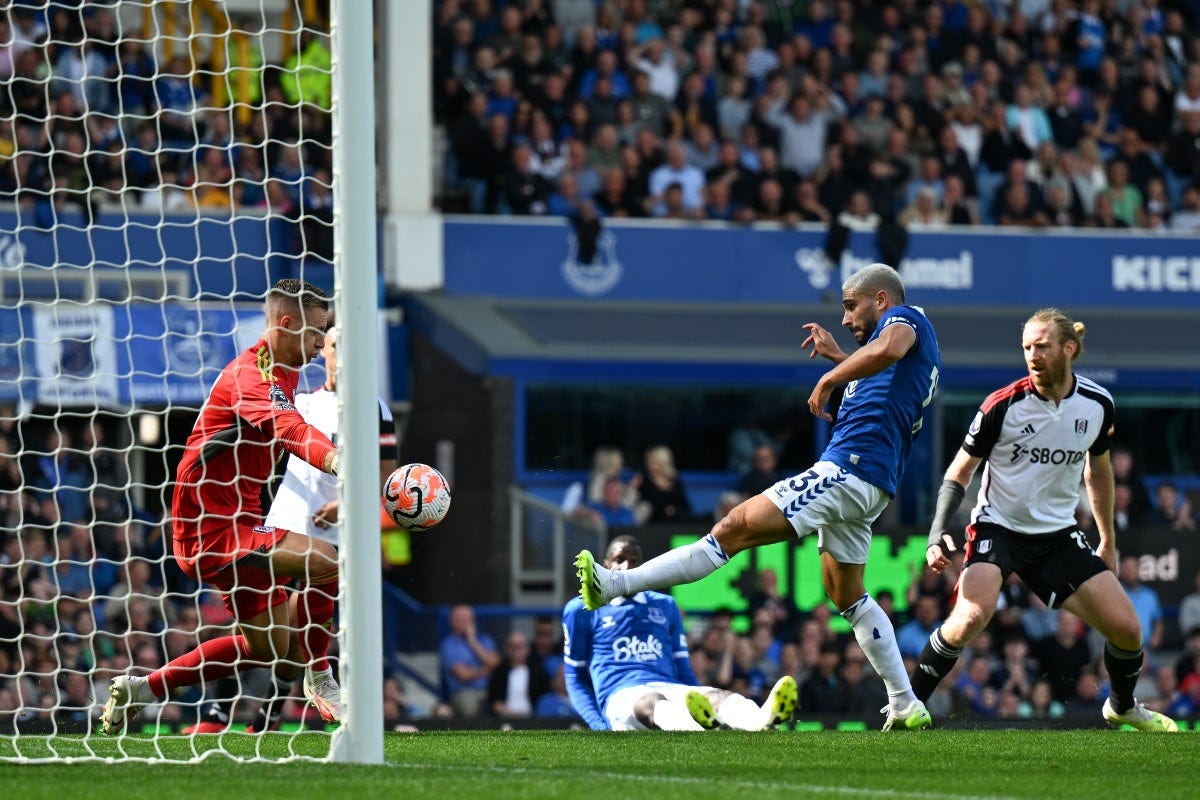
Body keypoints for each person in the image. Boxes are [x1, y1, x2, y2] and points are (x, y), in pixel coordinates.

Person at [577, 264, 940, 730]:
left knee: (732, 528)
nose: (847, 319)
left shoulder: (907, 320)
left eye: (852, 306)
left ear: (883, 299)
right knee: (846, 596)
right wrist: (837, 360)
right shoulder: (895, 357)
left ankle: (616, 585)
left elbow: (888, 349)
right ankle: (906, 701)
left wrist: (830, 379)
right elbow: (883, 374)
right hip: (870, 483)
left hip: (849, 468)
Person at [909, 308, 1177, 732]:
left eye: (1042, 346)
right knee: (969, 619)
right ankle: (907, 706)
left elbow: (1099, 471)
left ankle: (1122, 706)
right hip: (998, 527)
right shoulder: (1002, 405)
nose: (1032, 355)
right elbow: (959, 472)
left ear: (1068, 349)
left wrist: (1107, 541)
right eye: (1027, 347)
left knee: (1128, 630)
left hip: (1057, 536)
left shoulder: (1097, 404)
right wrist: (937, 529)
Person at [102, 279, 343, 735]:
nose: (319, 343)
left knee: (275, 650)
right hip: (208, 530)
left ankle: (143, 689)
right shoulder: (252, 375)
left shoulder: (288, 370)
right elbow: (288, 429)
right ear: (285, 324)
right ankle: (323, 679)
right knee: (329, 563)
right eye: (315, 332)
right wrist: (335, 460)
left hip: (244, 520)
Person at [186, 323, 399, 734]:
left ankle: (269, 715)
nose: (344, 354)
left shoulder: (375, 408)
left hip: (337, 537)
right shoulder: (300, 402)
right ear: (326, 352)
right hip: (285, 520)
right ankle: (216, 714)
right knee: (261, 622)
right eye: (337, 345)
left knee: (304, 628)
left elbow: (385, 477)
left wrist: (344, 505)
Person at [563, 535, 797, 731]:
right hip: (621, 694)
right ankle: (698, 727)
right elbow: (575, 678)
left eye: (635, 562)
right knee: (651, 703)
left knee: (717, 696)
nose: (627, 568)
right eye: (620, 560)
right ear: (606, 566)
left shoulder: (665, 606)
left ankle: (762, 719)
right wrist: (599, 725)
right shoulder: (582, 609)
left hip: (669, 685)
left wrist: (696, 692)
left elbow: (683, 667)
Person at [440, 604, 500, 717]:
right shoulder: (449, 645)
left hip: (491, 689)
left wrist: (472, 641)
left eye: (467, 619)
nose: (465, 623)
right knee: (469, 705)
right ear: (452, 622)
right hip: (464, 692)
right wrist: (487, 670)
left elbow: (495, 664)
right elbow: (464, 675)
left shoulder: (485, 639)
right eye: (460, 620)